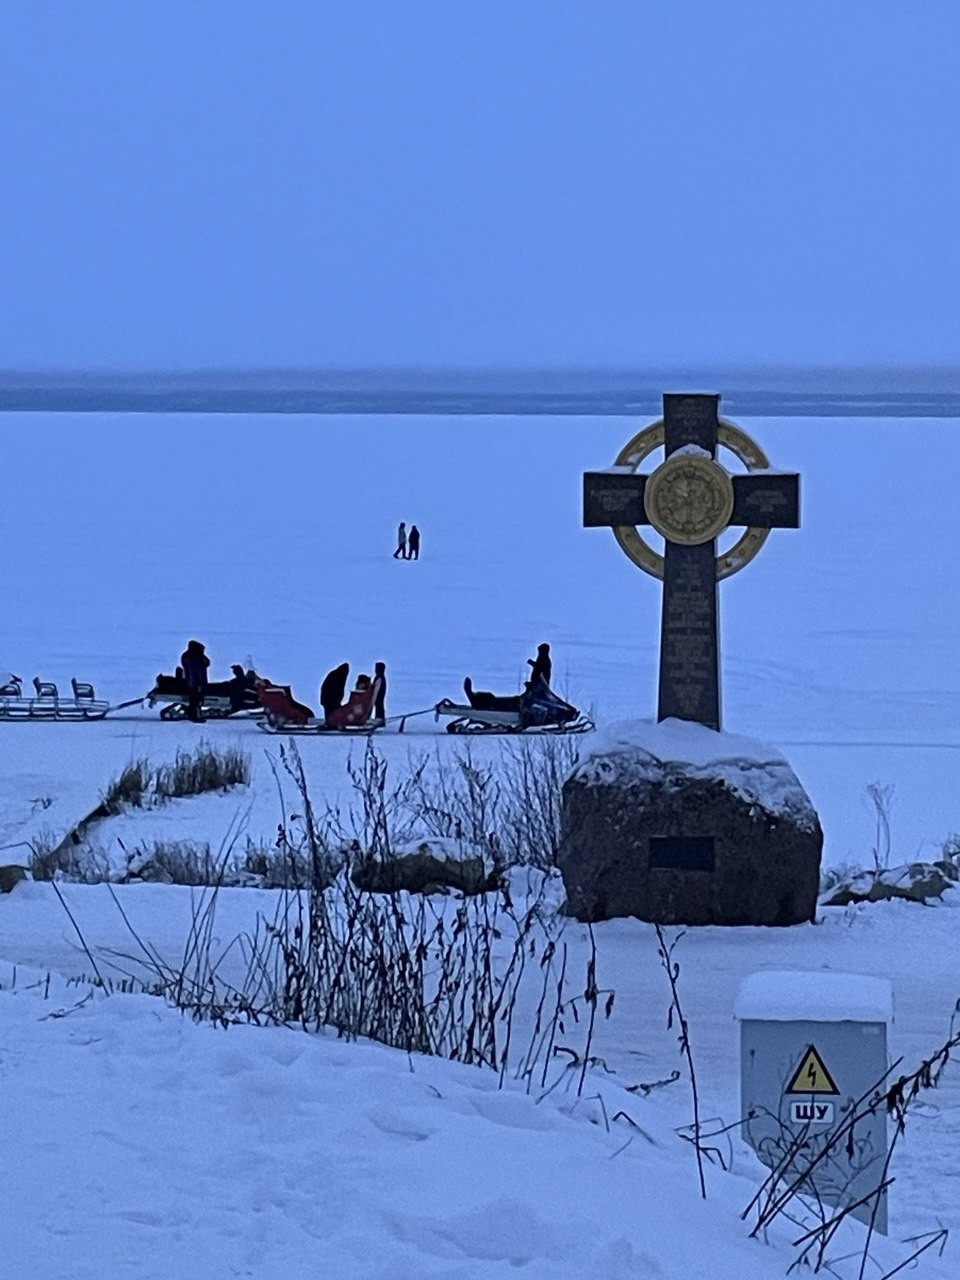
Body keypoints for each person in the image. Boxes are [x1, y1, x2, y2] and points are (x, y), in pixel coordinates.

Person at [180, 639, 210, 723]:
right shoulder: (193, 658)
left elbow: (207, 663)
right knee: (195, 700)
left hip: (193, 681)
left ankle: (192, 713)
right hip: (194, 683)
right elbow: (197, 671)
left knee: (195, 699)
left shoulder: (189, 656)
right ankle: (193, 716)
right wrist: (199, 683)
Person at [373, 661, 387, 726]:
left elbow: (377, 688)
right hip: (378, 695)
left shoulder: (380, 678)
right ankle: (379, 718)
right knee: (379, 705)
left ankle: (380, 719)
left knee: (379, 705)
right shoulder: (379, 677)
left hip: (379, 695)